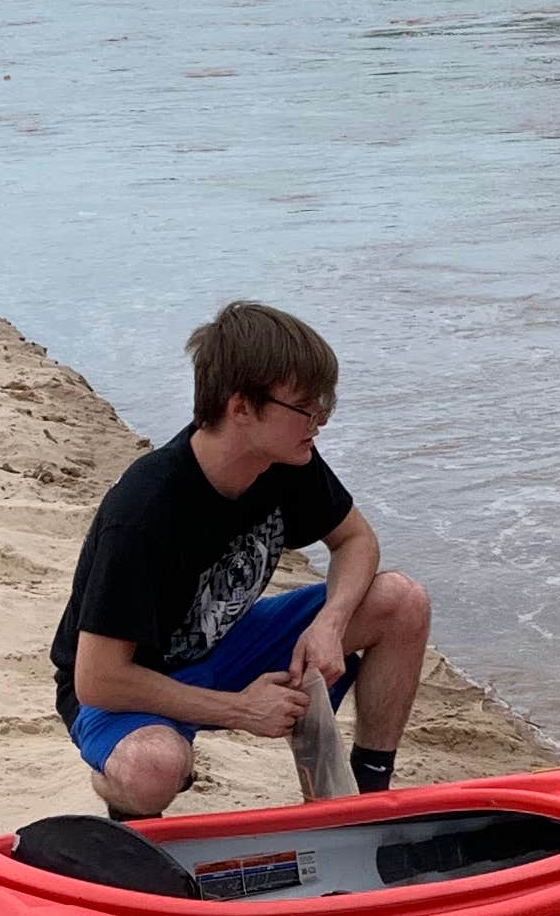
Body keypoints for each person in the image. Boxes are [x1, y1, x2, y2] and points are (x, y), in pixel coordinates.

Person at [49, 304, 430, 817]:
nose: (321, 420)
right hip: (129, 685)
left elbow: (356, 540)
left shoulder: (286, 459)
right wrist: (241, 710)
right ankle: (128, 813)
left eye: (324, 403)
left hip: (226, 645)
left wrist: (330, 624)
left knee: (401, 601)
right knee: (151, 768)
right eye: (305, 407)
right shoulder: (142, 511)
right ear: (241, 408)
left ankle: (368, 798)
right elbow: (99, 678)